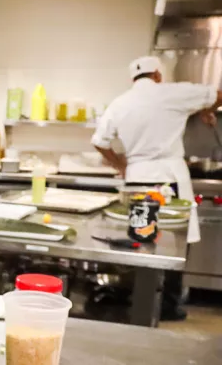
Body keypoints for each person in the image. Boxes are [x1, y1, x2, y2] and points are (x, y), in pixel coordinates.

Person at [92, 55, 222, 321]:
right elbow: (217, 94)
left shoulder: (120, 103)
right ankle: (169, 306)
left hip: (138, 176)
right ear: (158, 75)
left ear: (133, 79)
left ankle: (137, 298)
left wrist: (121, 165)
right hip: (168, 176)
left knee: (139, 238)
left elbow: (99, 141)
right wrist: (204, 109)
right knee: (174, 240)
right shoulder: (174, 93)